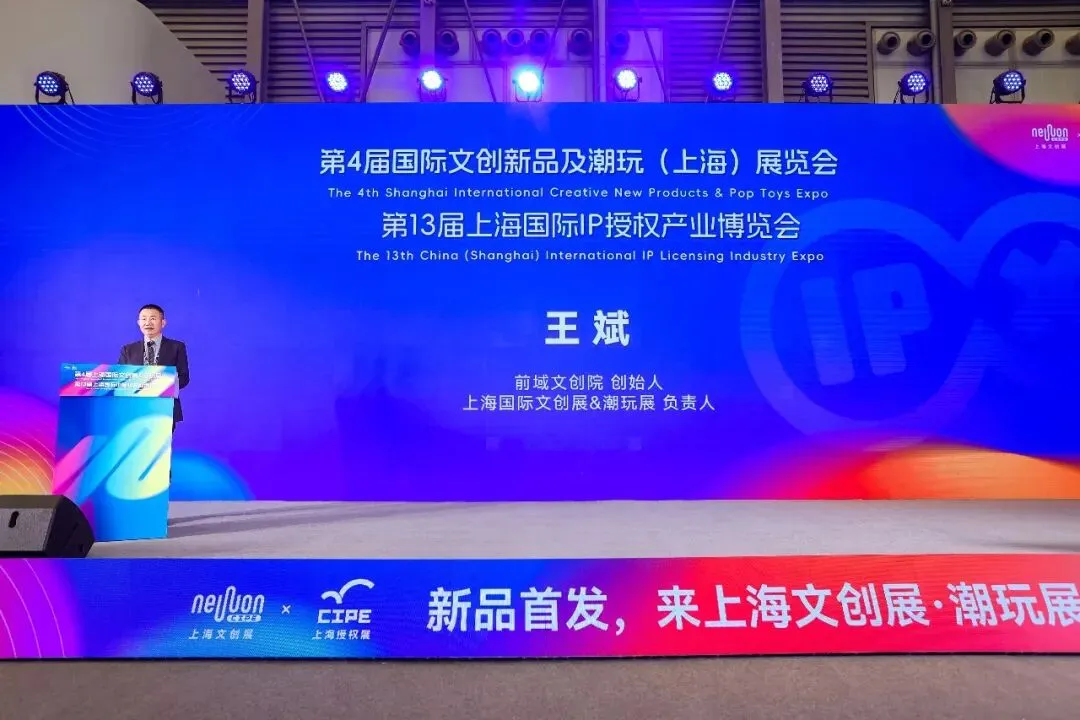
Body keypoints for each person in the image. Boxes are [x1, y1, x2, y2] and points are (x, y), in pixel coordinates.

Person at [118, 303, 190, 427]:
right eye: (144, 319)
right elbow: (120, 378)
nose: (148, 323)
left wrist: (163, 385)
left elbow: (184, 377)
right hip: (134, 410)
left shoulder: (176, 347)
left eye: (153, 318)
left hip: (165, 408)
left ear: (163, 323)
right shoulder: (128, 349)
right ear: (138, 323)